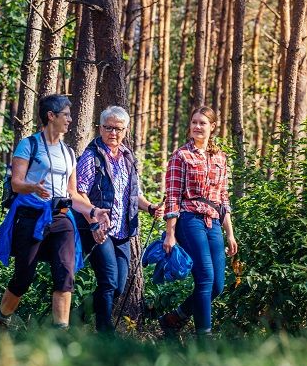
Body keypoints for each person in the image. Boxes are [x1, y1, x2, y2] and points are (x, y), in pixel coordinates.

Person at [0, 94, 111, 329]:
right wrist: (32, 187)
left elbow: (73, 193)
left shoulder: (68, 153)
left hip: (61, 217)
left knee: (65, 275)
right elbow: (16, 183)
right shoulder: (29, 144)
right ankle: (1, 321)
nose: (70, 119)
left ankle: (61, 333)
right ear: (51, 116)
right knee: (23, 278)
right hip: (31, 216)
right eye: (65, 115)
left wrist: (93, 210)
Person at [76, 105, 164, 331]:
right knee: (108, 282)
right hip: (99, 229)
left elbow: (135, 195)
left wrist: (151, 207)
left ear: (125, 130)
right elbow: (80, 192)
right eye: (108, 127)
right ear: (100, 127)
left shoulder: (127, 156)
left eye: (118, 129)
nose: (113, 133)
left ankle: (77, 315)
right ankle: (105, 332)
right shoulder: (91, 156)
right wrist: (93, 220)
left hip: (123, 232)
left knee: (119, 285)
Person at [158, 106, 238, 337]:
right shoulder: (181, 156)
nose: (197, 127)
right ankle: (204, 336)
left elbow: (223, 197)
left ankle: (175, 318)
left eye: (202, 123)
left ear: (212, 127)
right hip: (189, 219)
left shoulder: (220, 158)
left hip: (213, 221)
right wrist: (170, 233)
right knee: (205, 278)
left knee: (217, 285)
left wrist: (230, 233)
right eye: (194, 122)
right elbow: (172, 196)